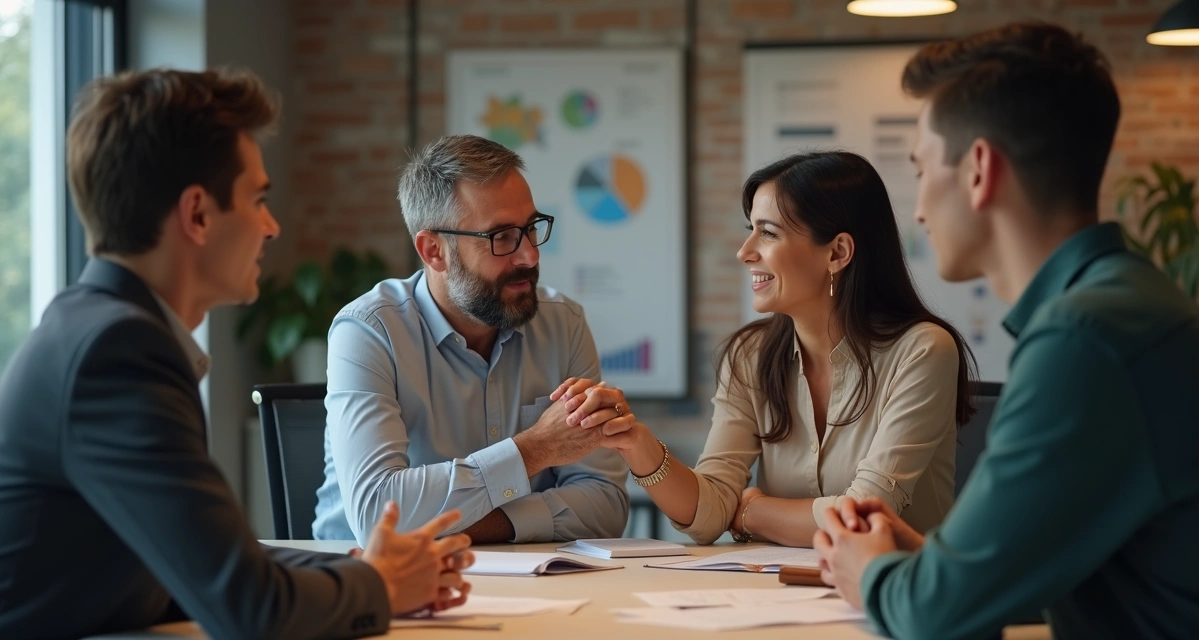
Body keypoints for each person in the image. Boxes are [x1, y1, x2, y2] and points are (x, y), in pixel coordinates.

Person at [0, 68, 473, 639]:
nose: (272, 227)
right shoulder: (118, 354)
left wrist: (368, 570)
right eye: (258, 199)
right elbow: (249, 609)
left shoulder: (97, 327)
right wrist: (379, 586)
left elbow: (210, 560)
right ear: (197, 214)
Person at [812, 21, 1199, 640]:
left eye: (921, 171)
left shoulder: (1086, 338)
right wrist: (930, 564)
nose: (917, 208)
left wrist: (869, 574)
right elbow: (1044, 578)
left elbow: (934, 619)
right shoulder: (1121, 306)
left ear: (978, 170)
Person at [558, 150, 976, 547]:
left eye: (769, 233)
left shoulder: (923, 350)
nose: (745, 252)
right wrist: (638, 444)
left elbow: (864, 516)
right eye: (750, 229)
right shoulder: (750, 356)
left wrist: (751, 512)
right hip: (779, 598)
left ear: (837, 252)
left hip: (890, 599)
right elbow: (707, 515)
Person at [313, 134, 631, 545]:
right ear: (433, 251)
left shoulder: (563, 323)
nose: (530, 256)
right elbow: (379, 515)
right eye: (501, 237)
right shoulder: (369, 331)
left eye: (531, 228)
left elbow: (606, 505)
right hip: (371, 586)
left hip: (530, 583)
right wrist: (536, 448)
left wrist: (467, 525)